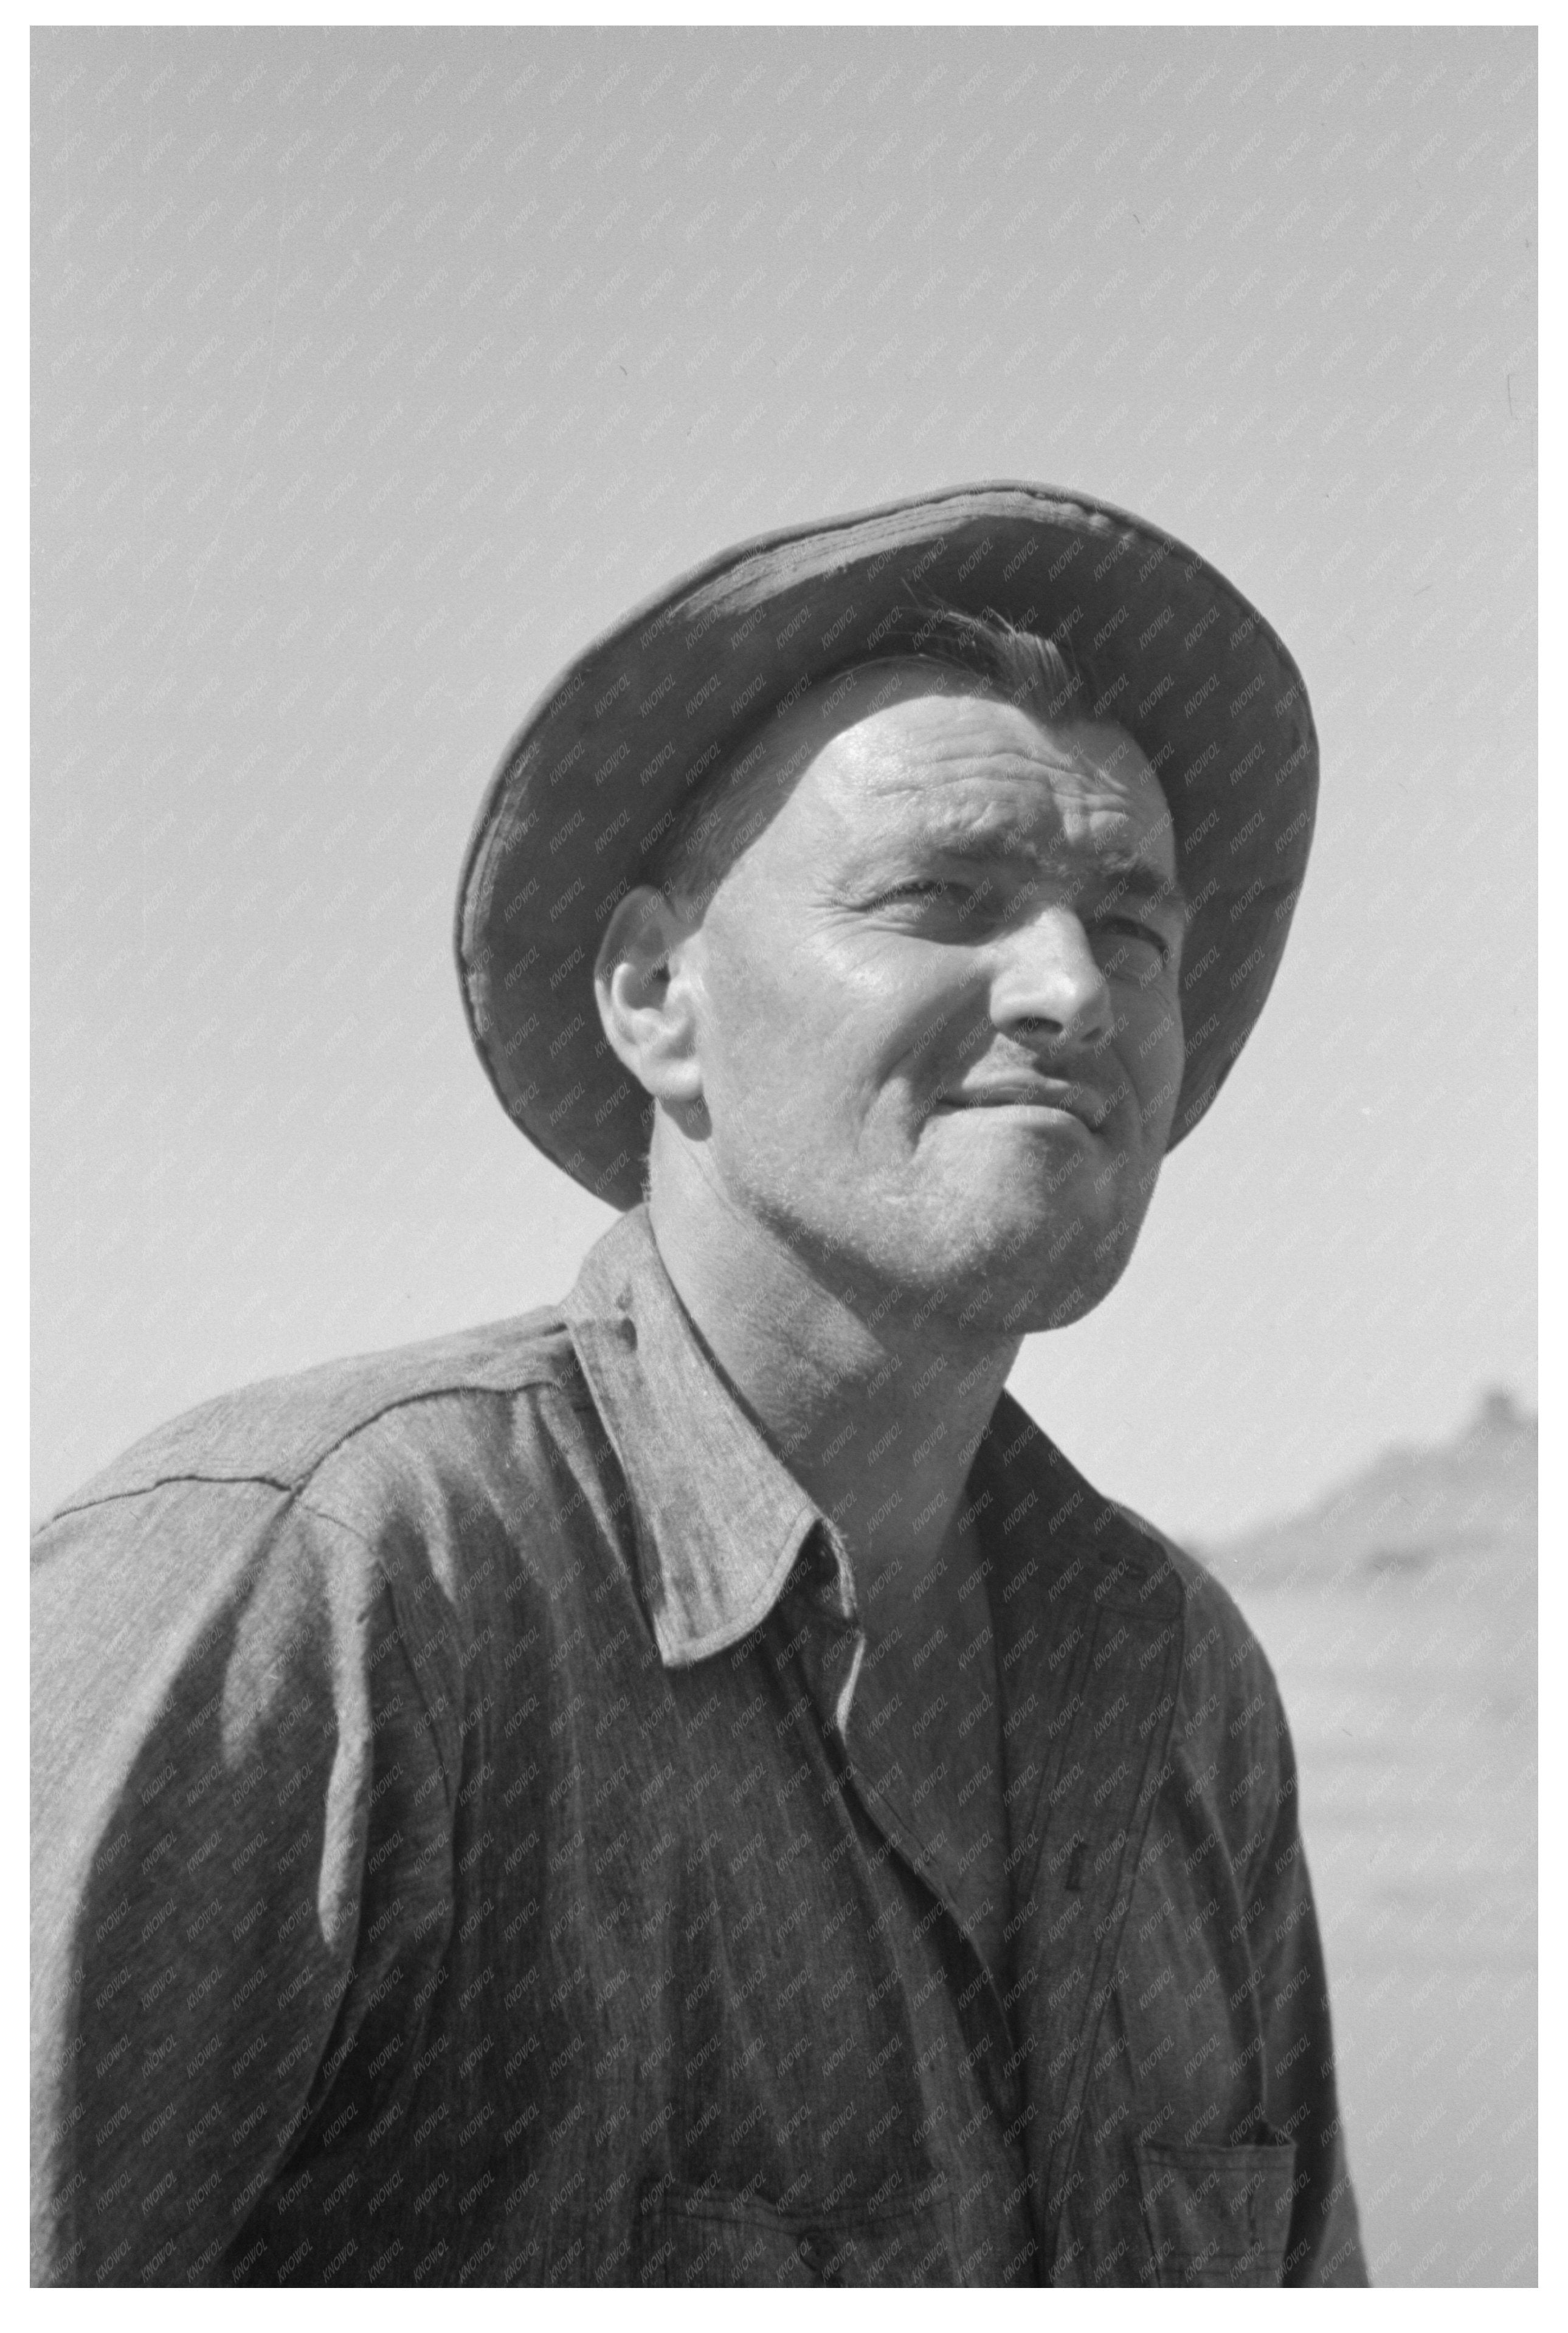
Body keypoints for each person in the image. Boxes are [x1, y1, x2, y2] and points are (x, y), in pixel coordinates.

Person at [32, 484, 1367, 2287]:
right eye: (943, 896)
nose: (1068, 985)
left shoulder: (1174, 1676)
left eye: (1129, 926)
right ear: (659, 995)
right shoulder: (329, 1588)